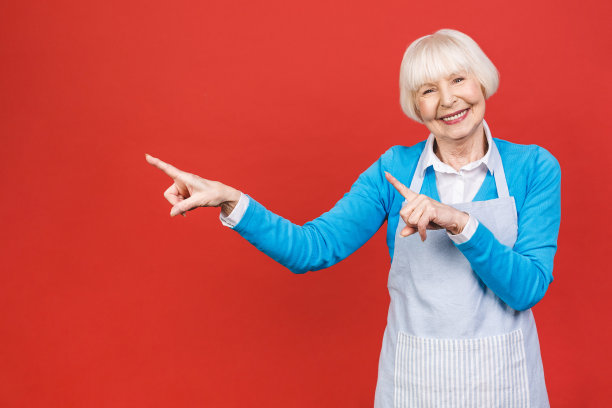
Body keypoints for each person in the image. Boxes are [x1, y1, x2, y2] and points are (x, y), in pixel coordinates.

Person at [146, 29, 561, 408]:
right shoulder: (392, 171)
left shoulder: (534, 168)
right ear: (416, 106)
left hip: (505, 384)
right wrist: (231, 200)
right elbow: (313, 249)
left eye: (458, 79)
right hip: (416, 385)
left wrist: (459, 223)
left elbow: (525, 290)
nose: (448, 99)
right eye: (428, 89)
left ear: (482, 80)